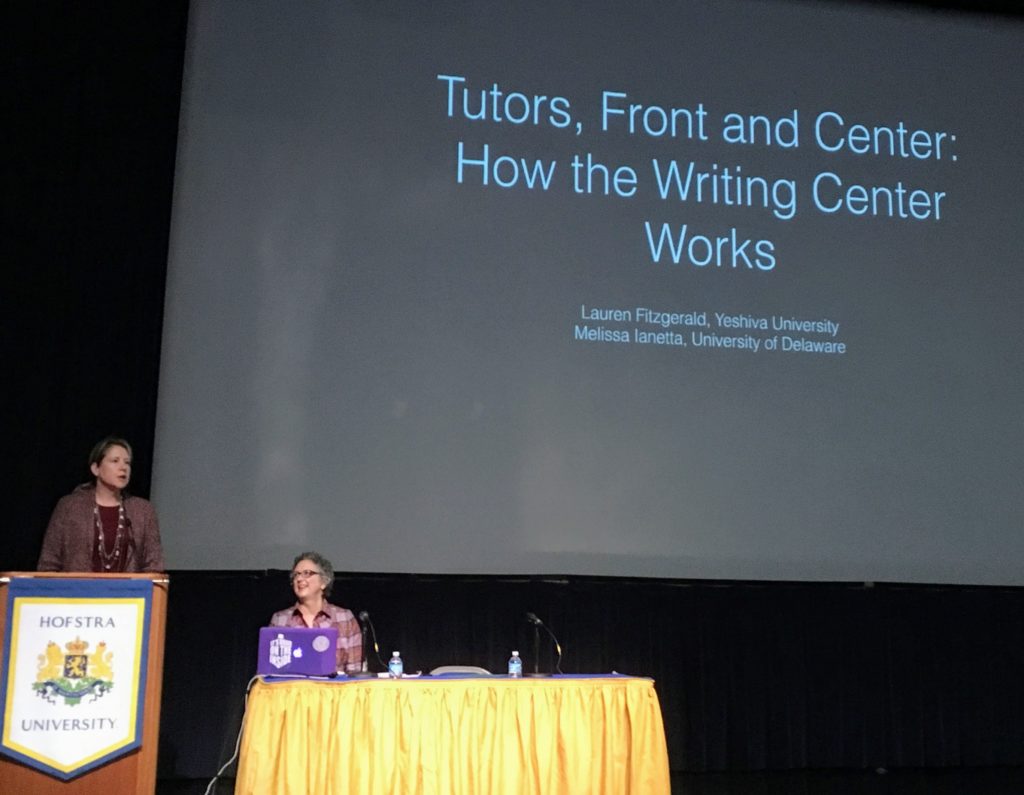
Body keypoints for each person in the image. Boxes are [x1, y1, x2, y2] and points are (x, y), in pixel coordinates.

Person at [37, 436, 166, 572]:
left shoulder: (143, 510)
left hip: (127, 592)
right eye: (115, 461)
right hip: (76, 591)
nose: (123, 468)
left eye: (127, 463)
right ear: (96, 469)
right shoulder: (69, 506)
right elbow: (49, 562)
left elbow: (154, 565)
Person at [269, 551, 363, 674]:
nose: (299, 578)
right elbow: (270, 671)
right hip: (293, 691)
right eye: (296, 575)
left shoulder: (344, 618)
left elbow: (355, 673)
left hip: (335, 691)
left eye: (307, 573)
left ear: (324, 582)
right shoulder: (280, 619)